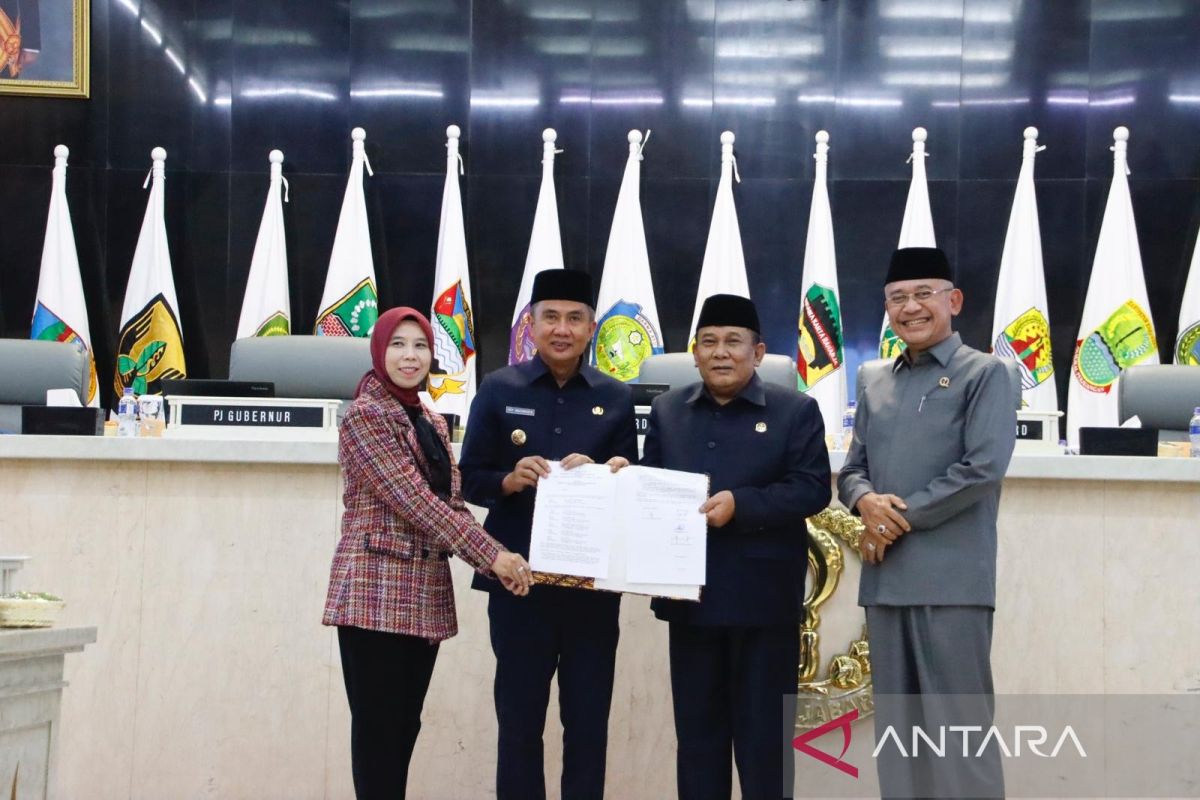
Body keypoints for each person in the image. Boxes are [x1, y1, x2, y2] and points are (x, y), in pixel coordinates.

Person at [322, 306, 533, 800]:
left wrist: (498, 553)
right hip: (374, 596)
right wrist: (494, 557)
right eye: (398, 344)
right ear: (378, 351)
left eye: (419, 345)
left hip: (422, 598)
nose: (410, 356)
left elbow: (452, 505)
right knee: (378, 735)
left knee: (404, 728)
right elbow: (415, 502)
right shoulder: (364, 416)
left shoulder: (432, 420)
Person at [837, 247, 1017, 799]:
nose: (910, 307)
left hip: (952, 584)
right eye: (898, 298)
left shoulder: (986, 373)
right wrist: (865, 501)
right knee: (900, 741)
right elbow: (851, 470)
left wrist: (893, 519)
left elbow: (982, 469)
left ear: (953, 301)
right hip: (887, 584)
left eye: (923, 294)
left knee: (960, 739)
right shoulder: (873, 379)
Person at [640, 293, 832, 800]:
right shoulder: (667, 411)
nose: (720, 352)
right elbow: (651, 490)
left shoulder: (796, 410)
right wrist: (625, 480)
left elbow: (812, 488)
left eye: (733, 341)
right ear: (694, 352)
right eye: (709, 342)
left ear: (759, 352)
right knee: (698, 745)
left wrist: (740, 505)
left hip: (763, 607)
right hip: (690, 604)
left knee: (764, 746)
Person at [459, 269, 637, 800]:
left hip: (591, 589)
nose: (562, 328)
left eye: (575, 318)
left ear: (592, 328)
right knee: (519, 723)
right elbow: (469, 477)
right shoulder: (498, 388)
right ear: (531, 324)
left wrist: (615, 470)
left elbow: (633, 479)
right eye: (551, 317)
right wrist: (510, 479)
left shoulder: (616, 396)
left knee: (587, 726)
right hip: (519, 584)